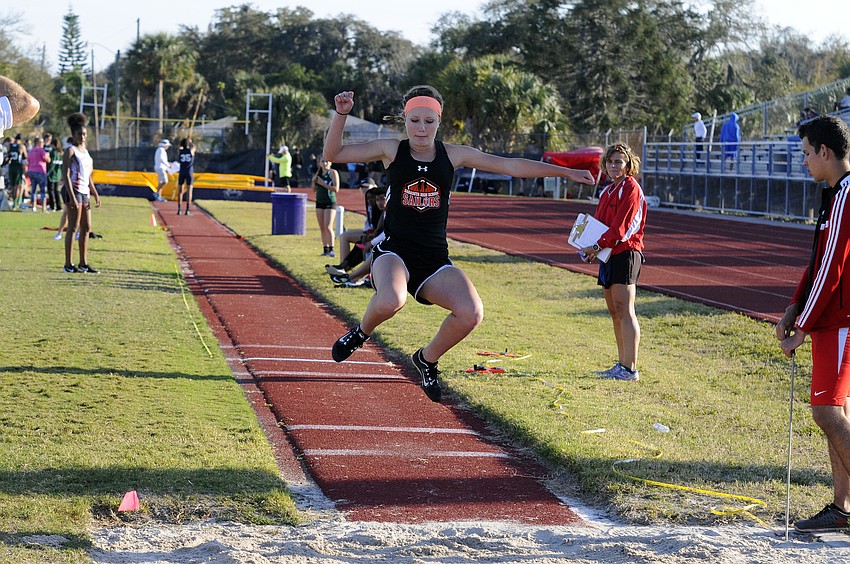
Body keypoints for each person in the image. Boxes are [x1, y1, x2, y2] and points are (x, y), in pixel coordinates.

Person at [326, 86, 594, 402]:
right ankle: (360, 334)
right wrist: (342, 114)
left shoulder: (454, 154)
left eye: (428, 121)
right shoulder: (391, 150)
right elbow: (334, 155)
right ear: (405, 120)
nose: (421, 129)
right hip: (395, 250)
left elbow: (511, 165)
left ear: (439, 121)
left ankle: (426, 359)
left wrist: (565, 172)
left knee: (470, 313)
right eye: (414, 121)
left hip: (434, 258)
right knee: (391, 301)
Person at [775, 115, 850, 532]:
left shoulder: (845, 195)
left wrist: (802, 325)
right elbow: (817, 262)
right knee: (835, 412)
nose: (803, 161)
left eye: (806, 153)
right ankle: (841, 509)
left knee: (825, 412)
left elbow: (834, 267)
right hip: (829, 319)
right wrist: (793, 307)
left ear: (824, 151)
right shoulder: (832, 195)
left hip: (839, 321)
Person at [580, 143, 647, 382]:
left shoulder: (630, 188)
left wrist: (597, 246)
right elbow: (599, 225)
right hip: (607, 254)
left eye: (619, 161)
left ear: (628, 164)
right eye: (610, 162)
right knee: (614, 311)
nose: (613, 166)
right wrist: (587, 246)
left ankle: (630, 368)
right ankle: (621, 364)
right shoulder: (608, 190)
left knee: (625, 310)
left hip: (626, 253)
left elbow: (623, 228)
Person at [62, 112, 101, 273]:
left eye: (84, 134)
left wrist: (95, 193)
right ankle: (68, 265)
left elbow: (88, 175)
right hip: (74, 192)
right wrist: (71, 197)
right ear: (73, 134)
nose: (83, 137)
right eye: (80, 134)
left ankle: (83, 263)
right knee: (73, 227)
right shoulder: (70, 151)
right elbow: (66, 175)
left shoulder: (85, 151)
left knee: (87, 227)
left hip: (85, 192)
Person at [313, 158, 340, 257]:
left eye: (326, 161)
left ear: (330, 162)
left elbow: (336, 189)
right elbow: (313, 189)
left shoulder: (333, 172)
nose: (324, 163)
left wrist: (323, 184)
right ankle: (325, 249)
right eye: (322, 161)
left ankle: (332, 249)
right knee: (322, 227)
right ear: (319, 163)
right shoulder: (318, 173)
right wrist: (314, 182)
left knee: (328, 226)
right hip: (319, 202)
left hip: (330, 202)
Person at [27, 136, 50, 213]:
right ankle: (44, 208)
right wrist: (48, 156)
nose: (43, 143)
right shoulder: (41, 150)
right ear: (38, 143)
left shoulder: (31, 151)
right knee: (43, 190)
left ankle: (34, 207)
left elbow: (28, 160)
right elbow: (47, 159)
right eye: (41, 142)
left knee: (33, 190)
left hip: (32, 171)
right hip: (40, 171)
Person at [176, 137, 195, 215]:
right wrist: (190, 141)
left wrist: (186, 141)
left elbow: (179, 146)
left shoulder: (180, 151)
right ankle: (187, 209)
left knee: (180, 191)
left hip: (182, 171)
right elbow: (193, 147)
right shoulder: (191, 150)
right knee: (189, 191)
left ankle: (179, 209)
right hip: (189, 172)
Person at [8, 133, 26, 210]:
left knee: (12, 186)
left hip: (11, 167)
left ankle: (14, 204)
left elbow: (8, 156)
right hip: (18, 167)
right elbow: (25, 158)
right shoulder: (21, 147)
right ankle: (15, 203)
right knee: (17, 186)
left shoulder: (10, 146)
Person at [47, 136, 63, 215]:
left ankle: (52, 206)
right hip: (58, 174)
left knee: (51, 191)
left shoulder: (53, 152)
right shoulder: (60, 152)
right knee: (57, 191)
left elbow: (52, 164)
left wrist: (48, 172)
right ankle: (59, 207)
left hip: (52, 174)